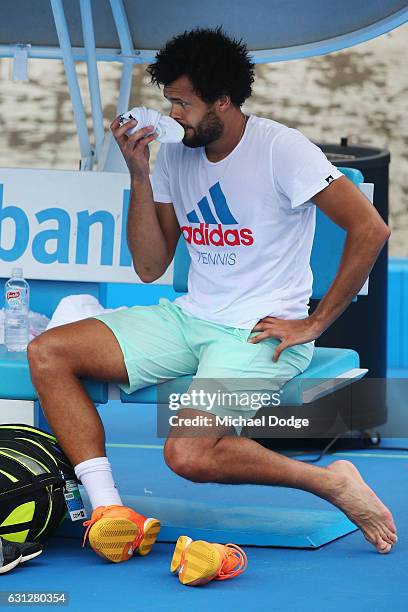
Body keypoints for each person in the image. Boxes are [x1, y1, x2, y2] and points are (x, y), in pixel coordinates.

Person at [27, 27, 397, 565]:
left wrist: (313, 324)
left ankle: (333, 483)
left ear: (223, 100)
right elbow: (151, 266)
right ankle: (108, 511)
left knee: (188, 453)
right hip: (190, 319)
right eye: (169, 101)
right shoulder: (178, 154)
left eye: (183, 102)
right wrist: (139, 173)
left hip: (258, 331)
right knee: (49, 351)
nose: (172, 114)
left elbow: (371, 229)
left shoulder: (281, 149)